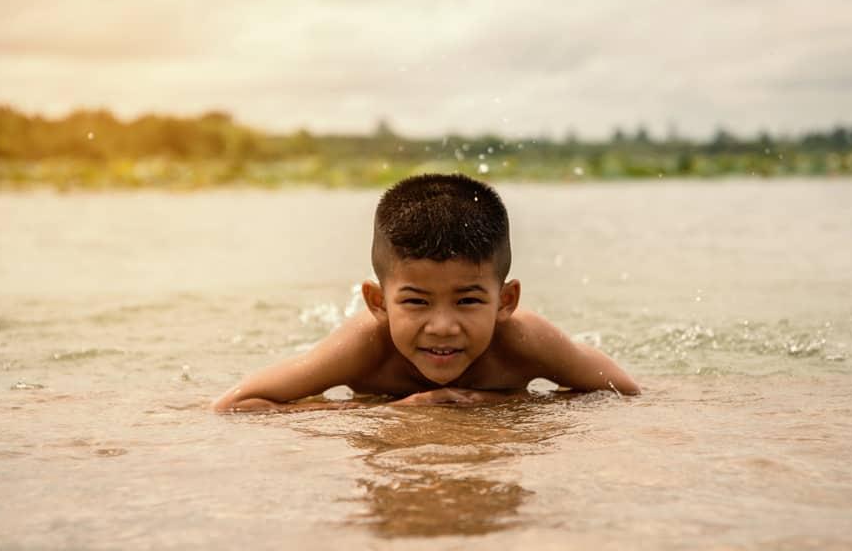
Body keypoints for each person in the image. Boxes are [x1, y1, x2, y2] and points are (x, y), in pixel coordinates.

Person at [212, 174, 639, 413]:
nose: (442, 327)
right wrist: (390, 412)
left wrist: (510, 408)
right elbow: (235, 404)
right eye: (416, 301)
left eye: (469, 300)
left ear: (505, 302)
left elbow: (622, 391)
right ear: (377, 303)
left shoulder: (524, 341)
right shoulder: (364, 347)